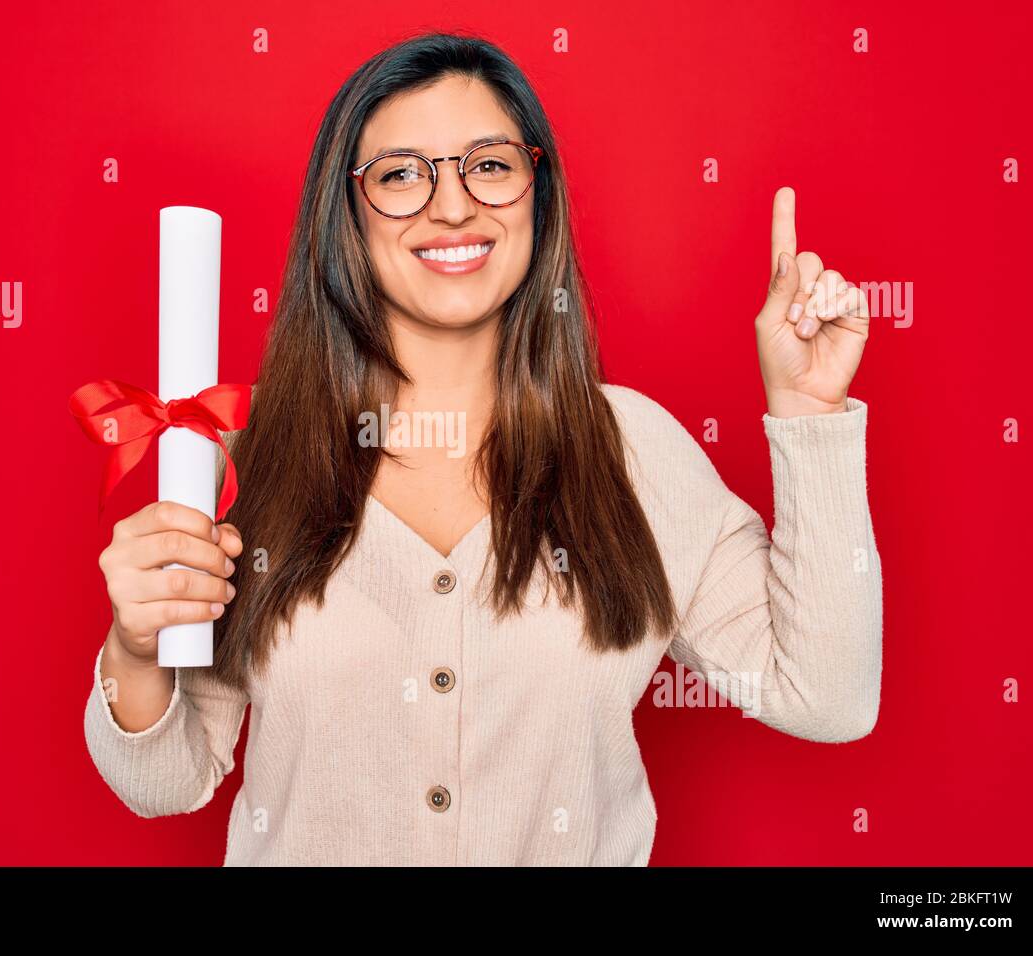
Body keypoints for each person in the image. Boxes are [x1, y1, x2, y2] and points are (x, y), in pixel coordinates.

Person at [84, 32, 882, 866]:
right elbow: (165, 782)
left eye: (490, 165)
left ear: (538, 192)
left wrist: (809, 414)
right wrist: (135, 646)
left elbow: (826, 696)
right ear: (344, 216)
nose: (454, 205)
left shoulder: (635, 453)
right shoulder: (246, 460)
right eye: (400, 175)